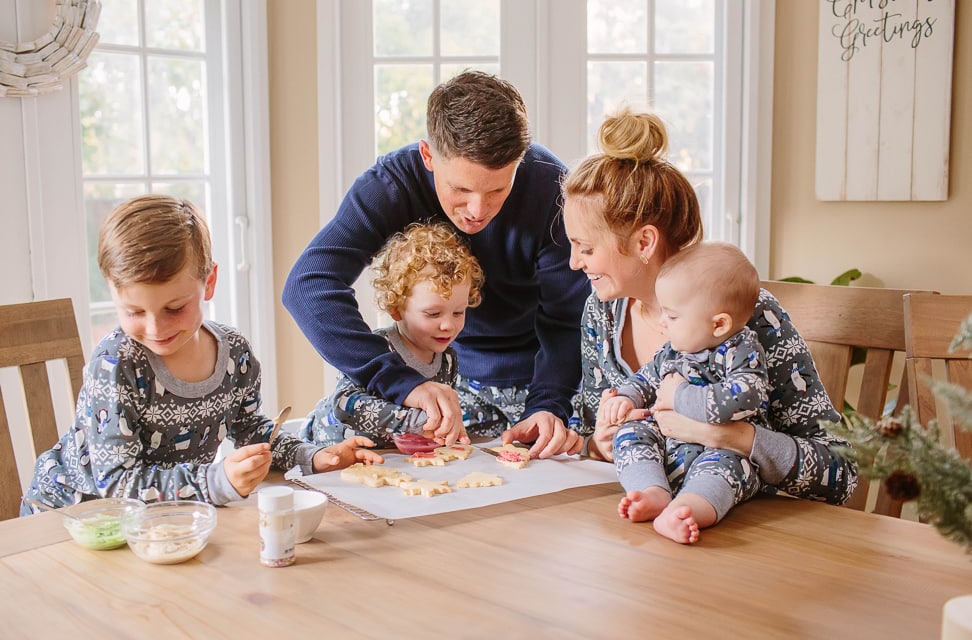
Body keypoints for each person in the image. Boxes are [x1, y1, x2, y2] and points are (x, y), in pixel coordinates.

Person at [563, 107, 858, 513]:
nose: (574, 263)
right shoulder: (602, 313)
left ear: (644, 242)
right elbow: (590, 441)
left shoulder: (746, 316)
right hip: (643, 535)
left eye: (587, 247)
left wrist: (734, 438)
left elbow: (841, 471)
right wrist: (599, 442)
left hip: (740, 538)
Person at [283, 70, 589, 457]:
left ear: (520, 161)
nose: (478, 211)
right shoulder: (391, 185)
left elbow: (565, 320)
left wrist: (549, 404)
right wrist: (400, 381)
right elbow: (308, 285)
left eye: (498, 189)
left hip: (541, 377)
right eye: (460, 189)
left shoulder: (552, 189)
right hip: (435, 375)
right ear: (428, 155)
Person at [22, 195, 382, 514]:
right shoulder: (116, 364)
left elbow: (251, 430)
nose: (156, 328)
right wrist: (215, 482)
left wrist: (314, 457)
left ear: (209, 282)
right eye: (134, 312)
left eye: (174, 308)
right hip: (71, 519)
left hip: (163, 521)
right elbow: (116, 485)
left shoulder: (234, 354)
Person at [597, 241, 769, 543]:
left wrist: (680, 396)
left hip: (720, 450)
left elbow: (743, 397)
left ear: (718, 324)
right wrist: (626, 397)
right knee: (632, 432)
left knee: (728, 469)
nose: (663, 322)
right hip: (668, 443)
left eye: (672, 316)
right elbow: (646, 378)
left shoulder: (741, 350)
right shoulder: (674, 351)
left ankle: (686, 508)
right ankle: (652, 491)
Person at [299, 222, 484, 447]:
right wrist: (413, 421)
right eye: (433, 313)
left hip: (387, 455)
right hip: (334, 449)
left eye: (458, 312)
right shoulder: (377, 349)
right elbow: (345, 404)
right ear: (396, 309)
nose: (448, 325)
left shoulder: (448, 359)